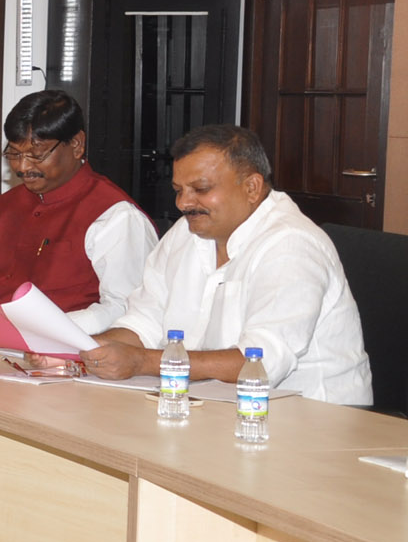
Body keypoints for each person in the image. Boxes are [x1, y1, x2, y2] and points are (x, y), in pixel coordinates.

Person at [72, 125, 371, 404]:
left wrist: (143, 361)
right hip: (214, 405)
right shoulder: (186, 233)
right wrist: (77, 351)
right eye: (179, 190)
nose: (183, 203)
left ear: (252, 188)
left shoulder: (291, 245)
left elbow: (261, 362)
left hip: (313, 418)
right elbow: (143, 323)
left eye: (200, 189)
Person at [0, 90, 157, 330]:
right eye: (14, 154)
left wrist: (46, 328)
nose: (23, 167)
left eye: (37, 155)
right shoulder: (3, 207)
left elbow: (126, 308)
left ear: (77, 145)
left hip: (63, 357)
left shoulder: (115, 216)